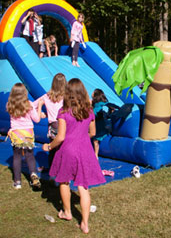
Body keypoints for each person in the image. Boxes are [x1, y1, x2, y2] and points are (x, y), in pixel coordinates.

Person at [42, 78, 106, 234]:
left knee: (64, 181)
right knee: (83, 187)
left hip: (67, 150)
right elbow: (93, 133)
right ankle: (84, 224)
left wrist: (49, 146)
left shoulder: (63, 112)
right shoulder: (89, 111)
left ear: (67, 94)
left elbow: (61, 137)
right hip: (85, 150)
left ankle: (67, 212)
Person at [6, 83, 44, 189]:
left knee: (17, 157)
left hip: (16, 134)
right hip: (28, 133)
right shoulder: (29, 104)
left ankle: (17, 181)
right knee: (30, 156)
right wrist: (40, 106)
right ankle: (33, 174)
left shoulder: (9, 104)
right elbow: (37, 119)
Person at [34, 73, 67, 168]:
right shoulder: (67, 97)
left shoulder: (46, 96)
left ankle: (52, 172)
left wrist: (41, 108)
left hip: (53, 126)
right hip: (64, 125)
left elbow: (33, 105)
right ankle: (63, 171)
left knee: (52, 149)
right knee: (63, 149)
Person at [91, 89, 109, 159]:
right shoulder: (93, 102)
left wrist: (111, 108)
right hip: (94, 121)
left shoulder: (100, 103)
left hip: (98, 122)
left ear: (96, 95)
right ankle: (95, 154)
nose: (91, 93)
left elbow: (106, 103)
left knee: (96, 140)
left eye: (93, 92)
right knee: (95, 139)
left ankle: (95, 155)